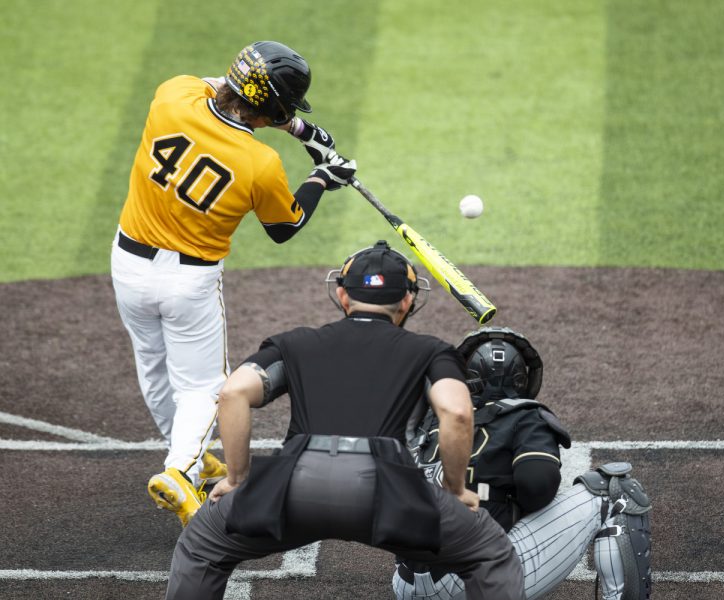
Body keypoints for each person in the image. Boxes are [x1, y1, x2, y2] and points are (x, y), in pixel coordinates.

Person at [164, 241, 527, 600]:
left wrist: (237, 479)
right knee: (488, 553)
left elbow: (233, 393)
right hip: (388, 492)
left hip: (294, 488)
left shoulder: (295, 343)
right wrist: (454, 489)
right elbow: (458, 412)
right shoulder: (432, 351)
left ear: (342, 295)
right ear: (407, 301)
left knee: (202, 547)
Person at [110, 40, 357, 527]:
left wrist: (292, 122)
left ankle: (193, 460)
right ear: (274, 107)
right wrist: (323, 175)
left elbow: (225, 89)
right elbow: (285, 227)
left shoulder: (172, 96)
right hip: (189, 282)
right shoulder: (259, 164)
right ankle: (180, 471)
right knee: (203, 386)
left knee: (155, 369)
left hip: (127, 266)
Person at [393, 326, 653, 600]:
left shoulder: (430, 421)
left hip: (407, 582)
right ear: (522, 380)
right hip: (471, 584)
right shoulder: (525, 417)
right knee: (615, 491)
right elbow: (538, 486)